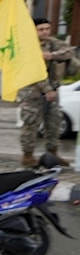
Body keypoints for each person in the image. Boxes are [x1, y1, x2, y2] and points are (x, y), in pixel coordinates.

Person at [19, 17, 75, 167]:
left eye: (47, 29)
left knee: (54, 123)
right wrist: (47, 90)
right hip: (33, 92)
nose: (45, 32)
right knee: (31, 125)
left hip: (53, 92)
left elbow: (69, 52)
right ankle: (28, 156)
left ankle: (53, 154)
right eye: (41, 29)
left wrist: (52, 56)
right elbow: (34, 73)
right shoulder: (27, 46)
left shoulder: (52, 43)